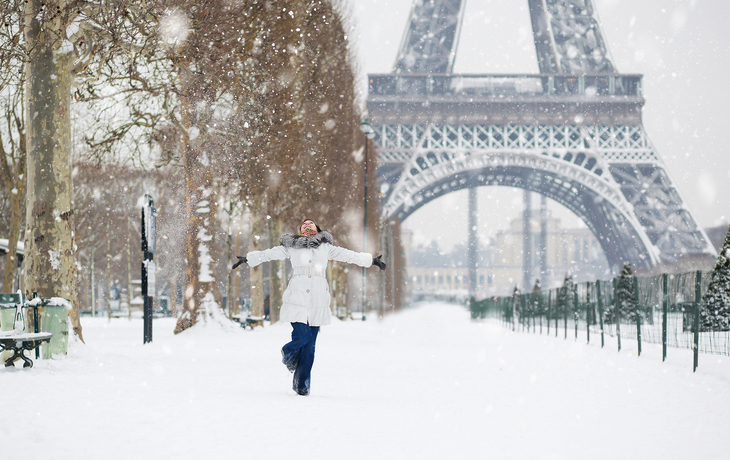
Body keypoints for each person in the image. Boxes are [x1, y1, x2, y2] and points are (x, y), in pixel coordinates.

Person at [233, 218, 386, 396]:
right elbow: (269, 254)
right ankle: (288, 352)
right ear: (300, 230)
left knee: (310, 346)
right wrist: (248, 258)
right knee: (302, 335)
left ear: (317, 229)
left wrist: (371, 261)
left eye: (310, 223)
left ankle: (301, 385)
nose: (307, 225)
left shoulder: (326, 247)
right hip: (297, 296)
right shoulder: (292, 246)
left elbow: (349, 255)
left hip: (318, 300)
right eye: (304, 224)